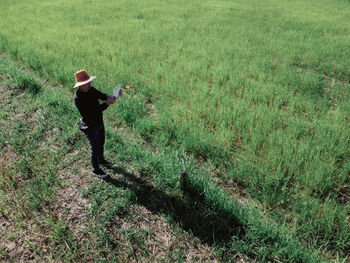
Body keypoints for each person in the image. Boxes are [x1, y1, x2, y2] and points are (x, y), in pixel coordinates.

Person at [73, 70, 122, 179]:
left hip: (99, 122)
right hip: (90, 126)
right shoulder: (78, 99)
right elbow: (92, 113)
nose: (89, 83)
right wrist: (107, 104)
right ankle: (96, 170)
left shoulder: (91, 89)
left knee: (101, 142)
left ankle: (101, 160)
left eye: (89, 81)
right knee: (94, 148)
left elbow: (103, 95)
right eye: (87, 82)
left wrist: (114, 96)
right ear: (80, 85)